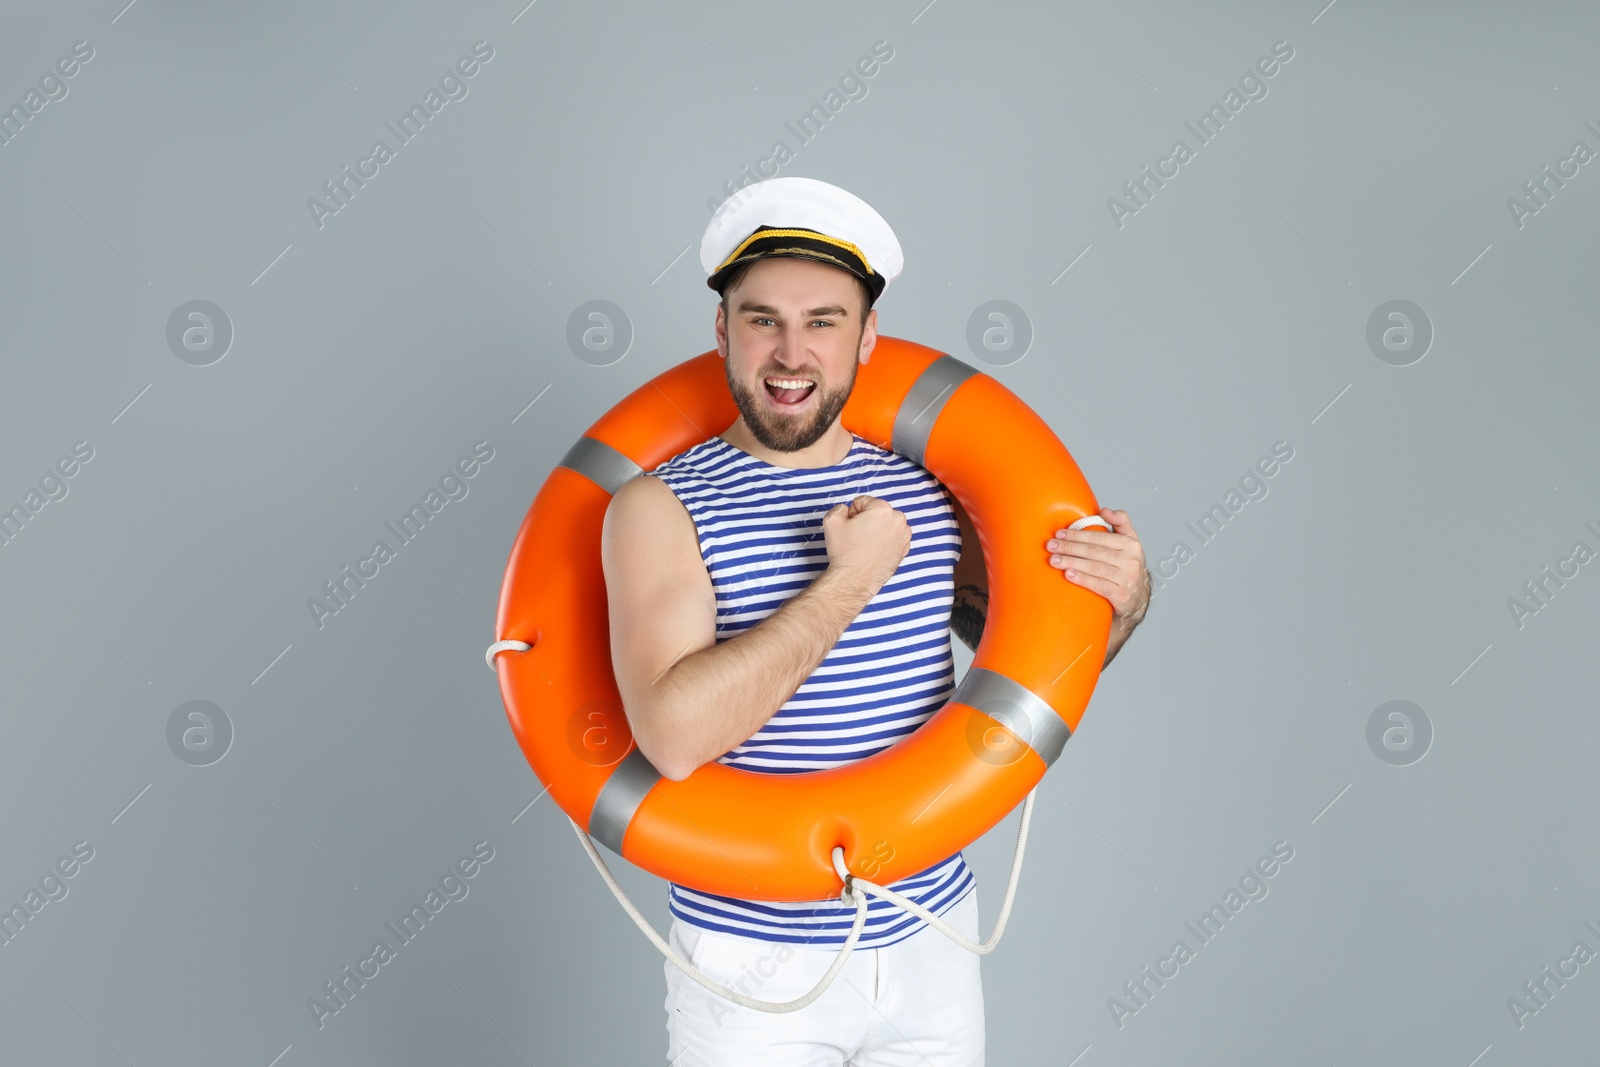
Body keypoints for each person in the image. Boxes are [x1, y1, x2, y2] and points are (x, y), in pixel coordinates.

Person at [599, 177, 1152, 1066]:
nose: (790, 352)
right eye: (761, 318)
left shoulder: (933, 489)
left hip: (931, 930)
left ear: (867, 337)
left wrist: (1120, 606)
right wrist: (848, 581)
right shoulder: (660, 506)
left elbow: (1032, 660)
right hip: (752, 962)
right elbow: (672, 734)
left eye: (823, 320)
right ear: (721, 331)